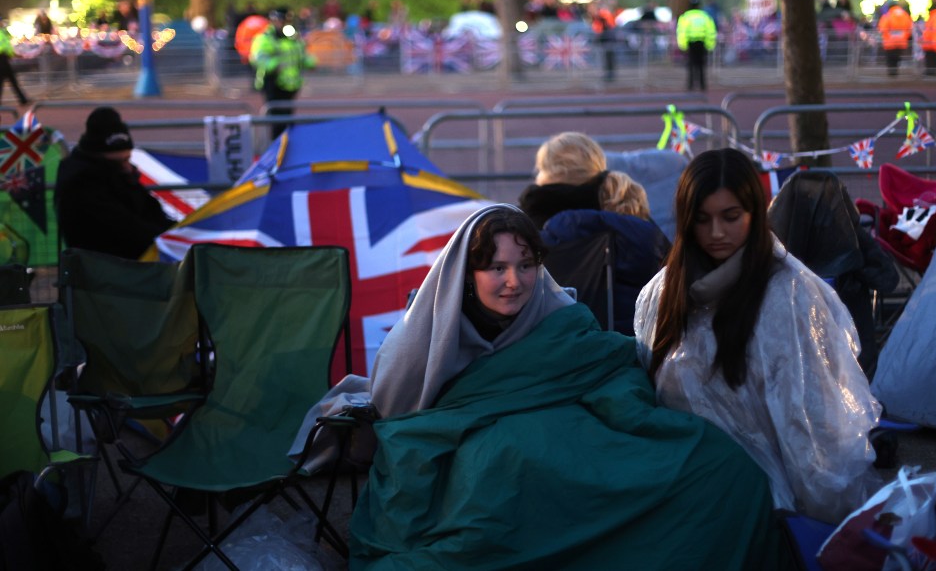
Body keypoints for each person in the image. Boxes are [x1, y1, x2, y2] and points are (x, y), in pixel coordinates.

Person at [351, 204, 781, 569]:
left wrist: (626, 410)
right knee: (499, 470)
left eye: (525, 265)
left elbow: (606, 368)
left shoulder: (556, 314)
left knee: (719, 465)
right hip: (490, 475)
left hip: (574, 458)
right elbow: (404, 426)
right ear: (467, 273)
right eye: (496, 268)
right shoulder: (421, 340)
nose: (514, 282)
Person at [633, 148, 883, 525]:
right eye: (702, 220)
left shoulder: (790, 294)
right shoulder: (663, 292)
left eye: (731, 217)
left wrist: (826, 510)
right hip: (684, 485)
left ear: (756, 211)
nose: (717, 233)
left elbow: (813, 424)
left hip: (765, 502)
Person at [541, 170, 670, 335]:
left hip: (603, 334)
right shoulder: (654, 237)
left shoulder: (595, 226)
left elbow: (560, 226)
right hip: (646, 334)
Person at [54, 106, 175, 259]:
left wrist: (174, 232)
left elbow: (149, 210)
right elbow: (123, 227)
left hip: (121, 262)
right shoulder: (82, 182)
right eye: (120, 161)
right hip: (106, 266)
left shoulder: (111, 173)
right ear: (99, 157)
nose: (126, 166)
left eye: (128, 159)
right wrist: (168, 237)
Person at [249, 7, 315, 140]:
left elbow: (300, 55)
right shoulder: (265, 38)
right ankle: (275, 149)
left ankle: (287, 147)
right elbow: (258, 58)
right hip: (273, 82)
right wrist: (274, 65)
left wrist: (311, 62)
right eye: (279, 20)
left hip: (291, 84)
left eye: (285, 20)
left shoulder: (293, 37)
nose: (282, 23)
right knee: (276, 119)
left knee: (288, 118)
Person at [675, 0, 717, 91]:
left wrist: (683, 45)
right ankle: (703, 86)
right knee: (701, 66)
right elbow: (711, 31)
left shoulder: (685, 17)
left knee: (690, 65)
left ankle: (690, 86)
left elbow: (681, 31)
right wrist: (710, 45)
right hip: (702, 43)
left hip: (691, 43)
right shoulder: (705, 16)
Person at [877, 0, 913, 77]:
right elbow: (910, 27)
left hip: (889, 42)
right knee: (897, 57)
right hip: (902, 42)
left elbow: (882, 27)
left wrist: (887, 35)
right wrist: (905, 36)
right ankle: (895, 72)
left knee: (890, 59)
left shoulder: (888, 15)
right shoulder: (905, 15)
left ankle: (892, 73)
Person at [0, 19, 30, 107]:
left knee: (10, 80)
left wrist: (14, 54)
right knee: (11, 80)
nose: (2, 23)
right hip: (1, 58)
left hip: (5, 58)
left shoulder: (3, 32)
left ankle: (23, 100)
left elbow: (7, 46)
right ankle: (23, 100)